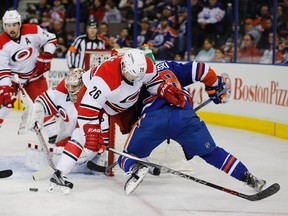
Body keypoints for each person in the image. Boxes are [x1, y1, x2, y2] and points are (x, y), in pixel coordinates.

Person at [116, 51, 266, 195]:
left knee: (127, 155)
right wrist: (213, 86)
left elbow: (124, 114)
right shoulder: (169, 66)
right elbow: (202, 69)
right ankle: (248, 177)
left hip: (153, 120)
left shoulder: (133, 82)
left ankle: (136, 166)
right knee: (212, 153)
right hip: (184, 116)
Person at [43, 48, 187, 193]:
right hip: (94, 101)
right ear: (123, 66)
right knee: (82, 135)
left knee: (142, 128)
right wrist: (92, 133)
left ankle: (137, 160)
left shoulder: (144, 66)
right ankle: (59, 174)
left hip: (122, 103)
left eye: (139, 76)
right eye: (132, 75)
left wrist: (163, 89)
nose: (137, 79)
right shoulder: (104, 78)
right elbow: (88, 109)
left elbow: (152, 80)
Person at [27, 68, 110, 186]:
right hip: (67, 132)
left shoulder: (92, 98)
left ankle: (65, 168)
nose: (71, 90)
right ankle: (64, 167)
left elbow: (103, 123)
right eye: (69, 86)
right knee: (62, 147)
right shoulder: (62, 91)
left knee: (82, 148)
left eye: (74, 87)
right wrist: (36, 113)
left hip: (88, 136)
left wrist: (103, 143)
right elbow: (43, 101)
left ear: (83, 84)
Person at [0, 10, 58, 143]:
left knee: (43, 103)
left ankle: (54, 134)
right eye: (8, 25)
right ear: (4, 26)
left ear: (19, 24)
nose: (11, 29)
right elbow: (3, 69)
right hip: (14, 77)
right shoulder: (1, 43)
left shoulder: (33, 30)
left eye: (14, 25)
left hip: (34, 76)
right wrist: (5, 87)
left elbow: (51, 38)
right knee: (5, 102)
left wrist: (47, 55)